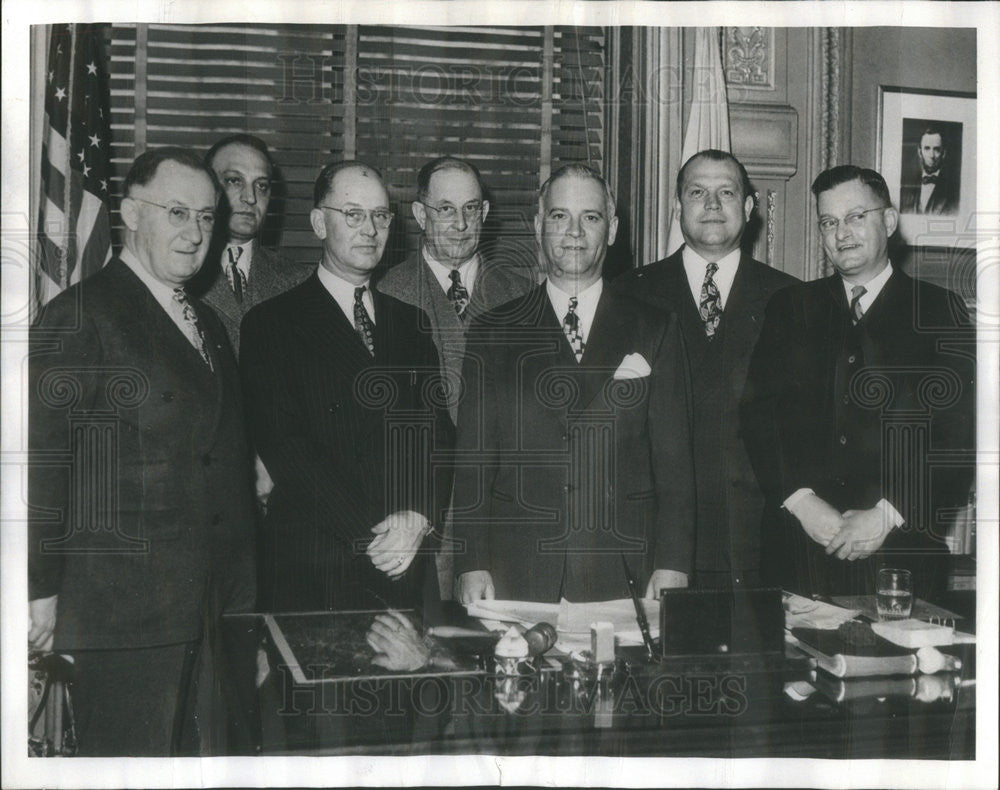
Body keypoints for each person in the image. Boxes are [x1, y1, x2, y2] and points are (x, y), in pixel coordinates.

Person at [27, 148, 256, 756]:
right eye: (177, 212)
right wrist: (39, 591)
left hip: (204, 609)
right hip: (120, 614)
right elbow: (44, 462)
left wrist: (240, 608)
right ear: (130, 213)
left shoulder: (206, 321)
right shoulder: (82, 313)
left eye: (207, 217)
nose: (195, 232)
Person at [452, 164, 696, 604]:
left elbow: (676, 465)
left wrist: (673, 562)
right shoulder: (493, 331)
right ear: (539, 224)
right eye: (560, 216)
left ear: (613, 228)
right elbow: (472, 466)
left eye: (591, 217)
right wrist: (471, 563)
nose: (575, 233)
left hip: (625, 567)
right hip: (518, 569)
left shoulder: (655, 328)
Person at [741, 165, 975, 599]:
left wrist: (885, 515)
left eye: (855, 217)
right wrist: (802, 503)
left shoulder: (940, 311)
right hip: (798, 555)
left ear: (887, 221)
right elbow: (757, 416)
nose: (841, 233)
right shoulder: (791, 307)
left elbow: (956, 435)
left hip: (902, 561)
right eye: (829, 222)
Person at [240, 161, 454, 612]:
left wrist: (416, 518)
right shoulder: (272, 323)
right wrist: (377, 538)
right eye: (353, 215)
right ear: (319, 222)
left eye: (380, 216)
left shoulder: (410, 324)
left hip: (403, 566)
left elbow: (437, 436)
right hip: (314, 569)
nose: (370, 229)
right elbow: (287, 450)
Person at [615, 150, 797, 590]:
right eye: (697, 192)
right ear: (677, 208)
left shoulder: (792, 301)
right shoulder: (627, 296)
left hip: (758, 551)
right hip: (653, 551)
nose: (712, 204)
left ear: (750, 209)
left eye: (726, 192)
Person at [376, 156, 532, 598]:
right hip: (419, 516)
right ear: (421, 214)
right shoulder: (387, 293)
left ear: (485, 213)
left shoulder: (522, 294)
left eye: (471, 208)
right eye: (445, 209)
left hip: (502, 515)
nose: (461, 223)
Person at [192, 134, 312, 353]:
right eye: (234, 181)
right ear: (206, 187)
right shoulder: (180, 274)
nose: (250, 197)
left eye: (262, 186)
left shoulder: (300, 281)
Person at [899, 125, 959, 215]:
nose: (931, 155)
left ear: (943, 153)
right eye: (927, 148)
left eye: (937, 150)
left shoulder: (954, 191)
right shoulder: (906, 188)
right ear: (920, 152)